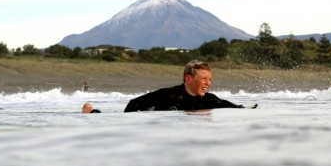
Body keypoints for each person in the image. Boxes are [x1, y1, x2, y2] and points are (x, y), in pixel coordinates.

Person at [81, 60, 246, 113]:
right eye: (203, 79)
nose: (208, 83)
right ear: (188, 78)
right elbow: (134, 104)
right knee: (98, 116)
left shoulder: (211, 100)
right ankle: (89, 110)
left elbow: (236, 108)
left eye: (209, 79)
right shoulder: (168, 95)